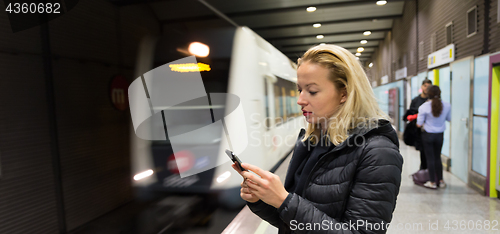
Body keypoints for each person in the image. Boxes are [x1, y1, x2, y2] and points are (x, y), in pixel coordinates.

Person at [231, 44, 403, 233]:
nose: (300, 100)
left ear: (344, 93)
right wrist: (261, 200)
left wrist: (284, 200)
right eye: (299, 90)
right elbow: (291, 222)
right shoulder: (312, 140)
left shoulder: (378, 152)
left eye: (312, 91)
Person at [416, 85, 451, 189]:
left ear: (428, 94)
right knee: (437, 157)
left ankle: (432, 182)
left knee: (430, 158)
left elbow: (419, 123)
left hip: (427, 135)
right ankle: (441, 180)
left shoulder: (424, 107)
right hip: (440, 135)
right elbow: (449, 119)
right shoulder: (447, 105)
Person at [403, 79, 432, 170]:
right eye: (425, 86)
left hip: (431, 130)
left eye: (429, 86)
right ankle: (423, 171)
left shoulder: (432, 101)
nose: (427, 88)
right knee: (422, 152)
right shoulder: (416, 100)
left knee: (430, 153)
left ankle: (428, 172)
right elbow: (409, 113)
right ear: (422, 86)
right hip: (420, 130)